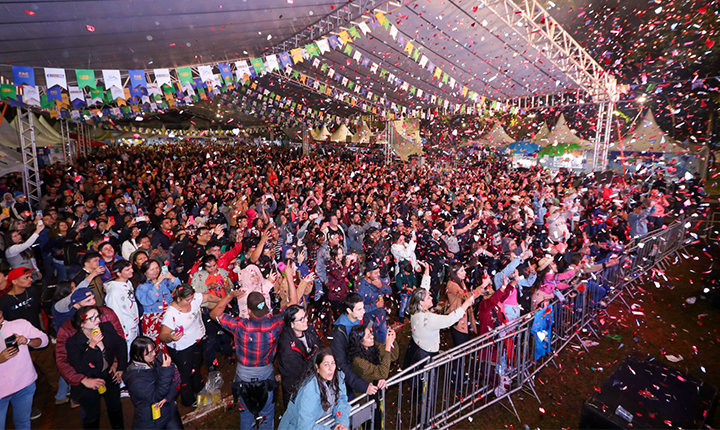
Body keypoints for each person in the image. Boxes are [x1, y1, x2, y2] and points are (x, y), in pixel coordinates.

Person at [210, 279, 298, 430]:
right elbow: (294, 304)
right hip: (265, 373)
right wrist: (289, 277)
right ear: (266, 308)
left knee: (246, 414)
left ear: (249, 311)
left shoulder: (239, 325)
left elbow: (214, 313)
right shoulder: (274, 324)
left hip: (243, 376)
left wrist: (230, 295)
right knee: (266, 414)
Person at [65, 305, 126, 429]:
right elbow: (79, 367)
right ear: (81, 324)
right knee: (92, 414)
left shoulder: (107, 328)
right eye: (92, 318)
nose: (97, 321)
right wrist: (91, 347)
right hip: (88, 380)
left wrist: (120, 367)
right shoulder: (73, 343)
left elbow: (121, 345)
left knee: (115, 407)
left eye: (97, 316)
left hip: (109, 374)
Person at [159, 284, 220, 407]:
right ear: (178, 299)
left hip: (196, 342)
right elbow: (163, 335)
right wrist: (170, 337)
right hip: (182, 349)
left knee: (196, 367)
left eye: (192, 298)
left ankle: (198, 387)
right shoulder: (171, 314)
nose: (191, 301)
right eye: (187, 300)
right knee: (185, 374)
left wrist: (223, 301)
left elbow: (207, 297)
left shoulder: (193, 298)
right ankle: (188, 399)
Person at [278, 348, 350, 430]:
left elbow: (341, 401)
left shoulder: (338, 377)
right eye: (326, 364)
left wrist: (341, 423)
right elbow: (305, 426)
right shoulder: (310, 390)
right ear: (317, 367)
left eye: (333, 363)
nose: (331, 368)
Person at [0, 310, 49, 430]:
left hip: (25, 385)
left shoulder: (20, 324)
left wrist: (27, 341)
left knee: (23, 424)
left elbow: (44, 340)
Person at [405, 287, 478, 367]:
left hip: (415, 348)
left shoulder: (415, 310)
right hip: (425, 356)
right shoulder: (429, 319)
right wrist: (466, 304)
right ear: (421, 302)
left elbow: (423, 286)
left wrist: (427, 274)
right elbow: (450, 319)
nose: (431, 298)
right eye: (428, 297)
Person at [123, 336, 183, 430]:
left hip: (169, 410)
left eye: (153, 349)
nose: (154, 353)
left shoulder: (155, 360)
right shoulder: (135, 380)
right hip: (151, 420)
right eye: (149, 353)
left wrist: (168, 397)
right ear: (137, 356)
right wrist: (166, 370)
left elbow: (176, 379)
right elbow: (156, 396)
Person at [329, 293, 378, 399]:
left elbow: (376, 345)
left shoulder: (366, 321)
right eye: (359, 309)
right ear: (349, 310)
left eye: (363, 308)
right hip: (353, 382)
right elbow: (342, 363)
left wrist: (379, 374)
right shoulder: (339, 332)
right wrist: (361, 385)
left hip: (369, 372)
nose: (364, 312)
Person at [276, 305, 322, 408]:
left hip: (311, 382)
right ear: (292, 324)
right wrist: (314, 354)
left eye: (305, 316)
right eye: (301, 319)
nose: (306, 320)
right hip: (295, 388)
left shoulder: (308, 330)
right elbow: (298, 371)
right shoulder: (286, 346)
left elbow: (320, 347)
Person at [136, 259, 180, 351]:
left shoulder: (164, 281)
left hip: (168, 315)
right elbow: (147, 301)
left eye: (157, 268)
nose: (155, 271)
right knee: (155, 344)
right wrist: (157, 283)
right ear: (145, 272)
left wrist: (171, 277)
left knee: (171, 341)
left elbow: (178, 289)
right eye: (152, 269)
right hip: (153, 318)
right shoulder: (141, 287)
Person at [445, 262, 491, 346]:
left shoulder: (461, 281)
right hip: (458, 318)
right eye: (462, 271)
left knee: (466, 340)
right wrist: (483, 285)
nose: (465, 272)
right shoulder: (452, 284)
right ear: (455, 272)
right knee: (460, 345)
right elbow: (466, 296)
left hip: (465, 316)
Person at [348, 324, 398, 396]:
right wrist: (387, 347)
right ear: (360, 341)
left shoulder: (373, 345)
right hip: (365, 397)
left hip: (376, 391)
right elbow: (383, 373)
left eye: (371, 333)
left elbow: (393, 356)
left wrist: (392, 340)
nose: (372, 336)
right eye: (368, 336)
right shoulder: (358, 361)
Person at [104, 260, 140, 356]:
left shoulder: (128, 283)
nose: (131, 271)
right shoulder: (114, 291)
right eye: (127, 269)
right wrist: (122, 330)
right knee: (126, 352)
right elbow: (115, 313)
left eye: (131, 268)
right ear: (118, 273)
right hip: (126, 327)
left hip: (133, 322)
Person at [356, 261, 391, 344]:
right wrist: (375, 305)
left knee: (384, 343)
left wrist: (381, 286)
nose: (378, 274)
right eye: (375, 273)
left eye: (378, 271)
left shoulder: (378, 280)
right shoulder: (361, 288)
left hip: (381, 319)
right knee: (375, 346)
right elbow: (359, 309)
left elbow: (389, 291)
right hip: (371, 323)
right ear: (368, 274)